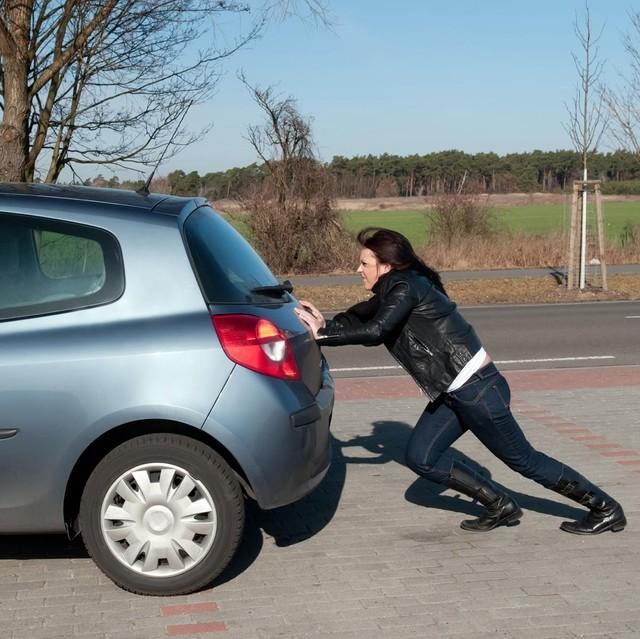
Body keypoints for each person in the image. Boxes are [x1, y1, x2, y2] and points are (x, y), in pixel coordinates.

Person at [294, 227, 626, 534]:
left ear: (386, 264)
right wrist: (324, 324)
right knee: (421, 456)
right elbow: (361, 317)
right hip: (456, 393)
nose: (358, 269)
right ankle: (500, 506)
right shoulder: (395, 288)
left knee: (525, 461)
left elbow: (376, 330)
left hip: (478, 389)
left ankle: (605, 508)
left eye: (364, 262)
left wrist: (320, 336)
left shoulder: (407, 286)